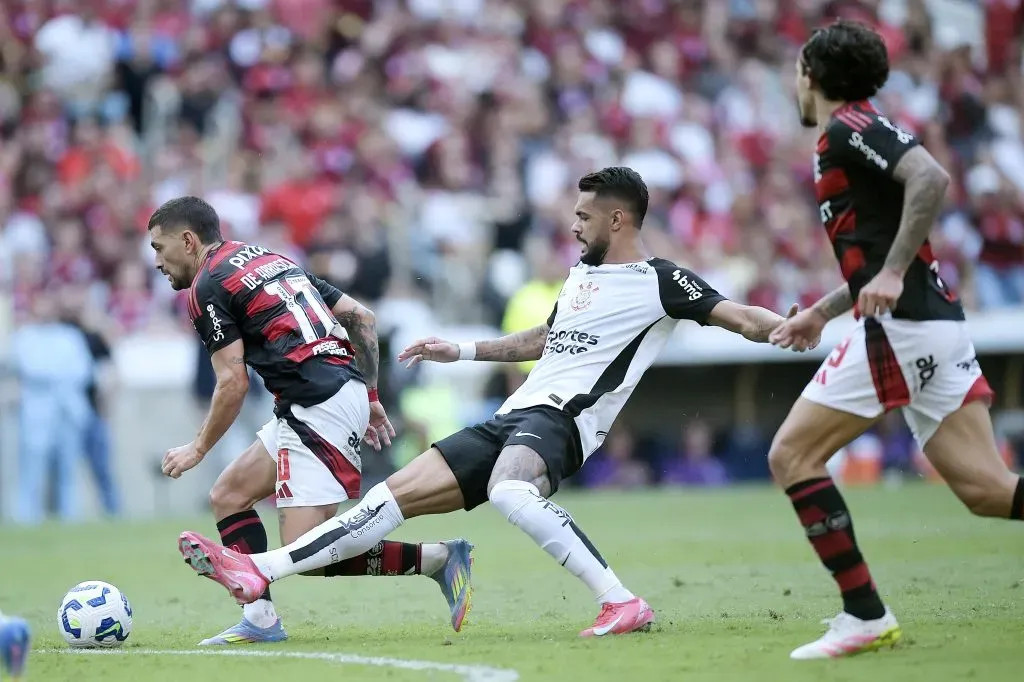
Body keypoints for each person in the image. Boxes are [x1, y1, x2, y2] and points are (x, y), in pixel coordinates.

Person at [175, 167, 802, 637]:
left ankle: (621, 601)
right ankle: (273, 570)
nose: (573, 224)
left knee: (509, 491)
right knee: (385, 501)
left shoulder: (662, 280)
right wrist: (463, 351)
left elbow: (738, 315)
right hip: (513, 416)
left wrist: (789, 328)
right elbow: (542, 341)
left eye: (584, 215)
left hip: (565, 421)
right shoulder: (582, 277)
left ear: (618, 219)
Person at [767, 20, 1023, 660]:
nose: (793, 82)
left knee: (790, 457)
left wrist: (886, 274)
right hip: (932, 325)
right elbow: (880, 246)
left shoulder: (851, 127)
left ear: (812, 76)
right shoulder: (853, 134)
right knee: (991, 493)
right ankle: (864, 614)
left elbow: (931, 179)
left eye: (797, 70)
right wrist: (826, 310)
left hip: (903, 330)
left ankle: (864, 615)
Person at [147, 196, 473, 645]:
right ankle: (260, 620)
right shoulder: (267, 257)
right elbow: (361, 317)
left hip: (319, 403)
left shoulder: (207, 287)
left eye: (160, 249)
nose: (158, 262)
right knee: (229, 495)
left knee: (309, 551)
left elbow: (232, 383)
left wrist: (198, 447)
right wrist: (370, 394)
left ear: (188, 240)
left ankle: (438, 558)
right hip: (321, 396)